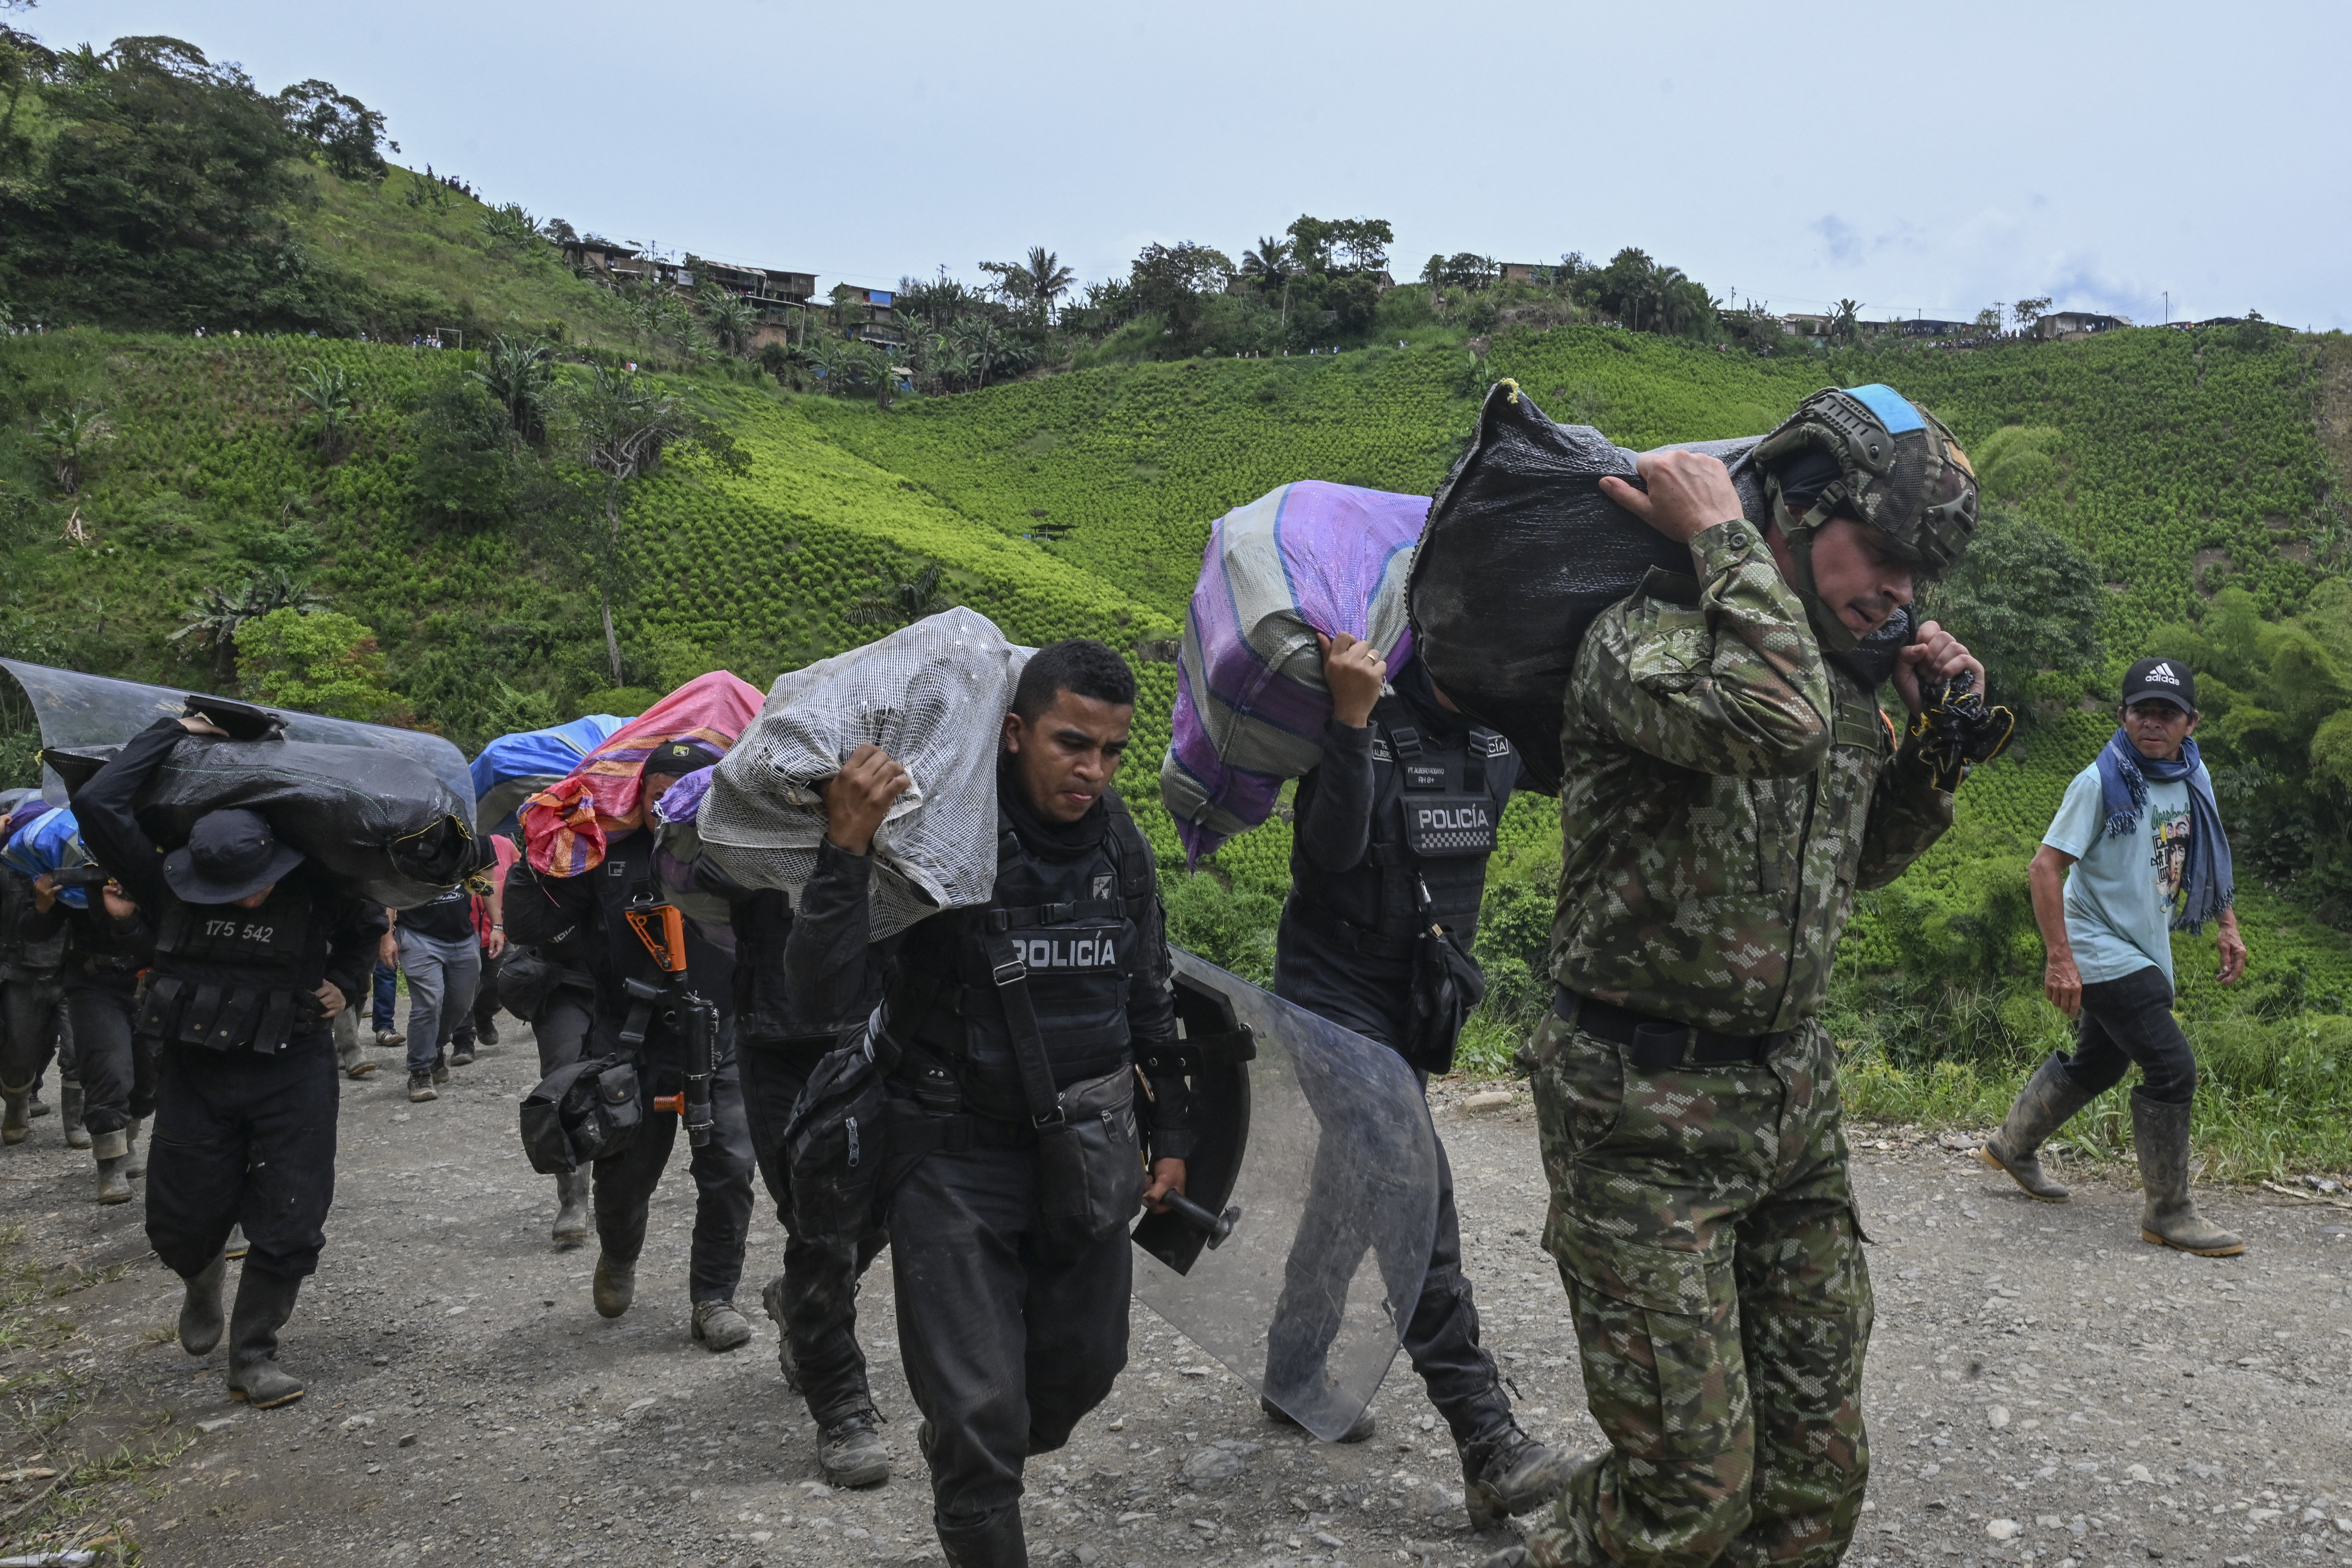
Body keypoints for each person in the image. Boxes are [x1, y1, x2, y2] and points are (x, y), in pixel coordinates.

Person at [1501, 385, 1984, 1568]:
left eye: (1922, 575)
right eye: (1882, 554)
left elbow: (1854, 865)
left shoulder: (1839, 683)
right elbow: (1774, 718)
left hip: (1791, 1110)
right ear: (1793, 512)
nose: (1902, 593)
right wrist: (1719, 530)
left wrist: (1935, 751)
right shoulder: (1646, 641)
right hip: (1644, 1116)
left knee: (1814, 1488)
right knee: (1684, 1503)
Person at [783, 638, 1195, 1568]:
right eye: (1069, 743)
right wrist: (845, 845)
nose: (1091, 769)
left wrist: (1170, 1129)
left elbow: (1149, 990)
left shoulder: (1118, 844)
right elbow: (816, 997)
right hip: (950, 1157)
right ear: (1014, 733)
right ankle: (973, 1484)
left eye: (1110, 750)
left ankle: (976, 1454)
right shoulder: (942, 831)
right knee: (978, 1419)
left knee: (1080, 1375)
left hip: (1087, 1159)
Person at [1265, 629, 1570, 1531]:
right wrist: (1351, 723)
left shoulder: (1500, 742)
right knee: (1411, 1184)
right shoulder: (1363, 718)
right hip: (1330, 999)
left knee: (1357, 1180)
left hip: (1415, 1011)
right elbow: (1323, 857)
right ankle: (1487, 1440)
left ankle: (1291, 1366)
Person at [73, 713, 386, 1409]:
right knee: (182, 1214)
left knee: (294, 1212)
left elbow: (369, 924)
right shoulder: (162, 882)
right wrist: (171, 728)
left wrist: (348, 980)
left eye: (258, 884)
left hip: (292, 1061)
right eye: (230, 889)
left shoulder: (319, 882)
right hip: (197, 1064)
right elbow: (98, 802)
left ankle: (253, 1353)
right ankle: (200, 1274)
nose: (248, 897)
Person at [1977, 657, 2247, 1255]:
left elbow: (2207, 853)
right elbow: (2044, 867)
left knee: (2101, 1063)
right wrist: (2060, 959)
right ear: (2123, 715)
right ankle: (2168, 1214)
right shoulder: (2100, 782)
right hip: (2095, 938)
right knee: (2171, 1068)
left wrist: (2226, 925)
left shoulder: (2191, 778)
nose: (2153, 722)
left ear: (2190, 723)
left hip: (2138, 938)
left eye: (2166, 712)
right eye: (2141, 710)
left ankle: (2012, 1146)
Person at [505, 739, 758, 1352]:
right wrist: (537, 853)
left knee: (730, 1170)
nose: (666, 807)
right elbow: (533, 925)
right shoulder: (607, 853)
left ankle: (713, 1298)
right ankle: (618, 1258)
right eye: (655, 794)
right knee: (624, 1177)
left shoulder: (740, 855)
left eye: (682, 794)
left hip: (720, 1035)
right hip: (631, 1042)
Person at [698, 836, 892, 1487]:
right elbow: (692, 873)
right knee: (818, 1228)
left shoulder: (898, 796)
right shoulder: (748, 800)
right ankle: (842, 1410)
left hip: (870, 1035)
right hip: (774, 1040)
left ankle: (797, 1302)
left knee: (878, 1214)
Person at [23, 869, 155, 1203]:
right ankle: (110, 1165)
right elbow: (35, 933)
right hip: (95, 983)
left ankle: (127, 1141)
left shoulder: (154, 862)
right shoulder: (78, 872)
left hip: (151, 984)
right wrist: (43, 903)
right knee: (109, 1070)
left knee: (148, 1076)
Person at [0, 857, 78, 1148]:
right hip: (21, 973)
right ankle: (17, 1107)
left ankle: (76, 1123)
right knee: (18, 1053)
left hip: (72, 972)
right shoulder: (8, 870)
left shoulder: (78, 864)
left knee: (77, 1050)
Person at [390, 873, 483, 1102]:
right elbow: (388, 890)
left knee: (462, 1003)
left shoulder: (463, 844)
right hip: (417, 935)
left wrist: (499, 925)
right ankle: (420, 1070)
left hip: (462, 936)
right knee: (429, 1002)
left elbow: (487, 877)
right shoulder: (405, 845)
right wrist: (386, 936)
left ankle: (436, 1047)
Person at [447, 833, 518, 1066]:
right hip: (463, 933)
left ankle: (484, 1016)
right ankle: (463, 1043)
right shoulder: (453, 843)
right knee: (463, 990)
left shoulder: (503, 843)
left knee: (502, 983)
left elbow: (522, 876)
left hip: (497, 930)